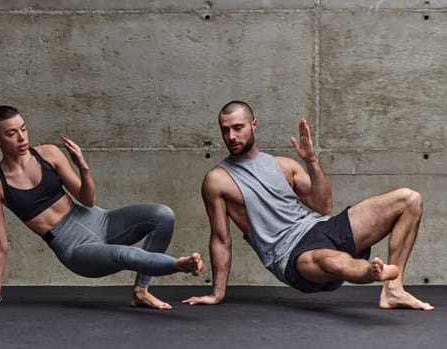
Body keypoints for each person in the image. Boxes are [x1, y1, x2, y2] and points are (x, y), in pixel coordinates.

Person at [182, 100, 433, 310]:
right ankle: (371, 272)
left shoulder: (283, 165)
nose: (231, 136)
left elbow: (323, 206)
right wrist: (217, 293)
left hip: (323, 227)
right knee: (333, 262)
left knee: (410, 199)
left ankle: (393, 289)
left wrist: (311, 161)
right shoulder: (217, 180)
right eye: (225, 130)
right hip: (290, 253)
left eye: (238, 128)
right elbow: (221, 238)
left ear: (253, 125)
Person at [0, 105, 203, 310]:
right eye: (11, 133)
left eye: (23, 129)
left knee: (163, 215)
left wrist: (83, 167)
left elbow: (88, 200)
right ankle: (176, 265)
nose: (22, 137)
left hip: (98, 220)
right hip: (74, 246)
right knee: (124, 255)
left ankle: (141, 291)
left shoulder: (48, 154)